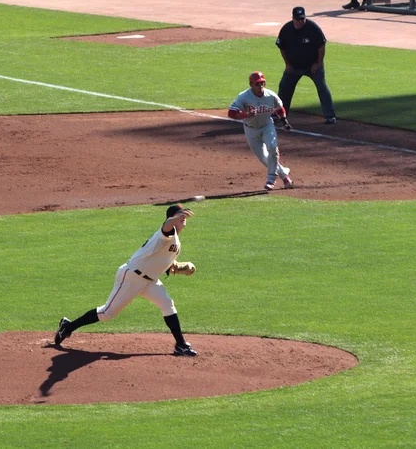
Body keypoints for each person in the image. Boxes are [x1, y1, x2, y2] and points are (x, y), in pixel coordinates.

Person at [54, 204, 198, 356]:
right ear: (173, 218)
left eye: (183, 215)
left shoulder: (176, 241)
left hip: (149, 281)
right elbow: (166, 225)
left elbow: (162, 262)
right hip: (131, 277)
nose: (183, 218)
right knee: (106, 313)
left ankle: (180, 345)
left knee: (167, 304)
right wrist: (175, 218)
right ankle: (68, 327)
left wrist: (179, 267)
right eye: (179, 215)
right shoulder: (167, 232)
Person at [228, 71, 294, 191]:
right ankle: (284, 176)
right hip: (251, 130)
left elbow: (279, 109)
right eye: (257, 84)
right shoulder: (243, 96)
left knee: (272, 147)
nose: (260, 86)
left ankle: (271, 179)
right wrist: (245, 114)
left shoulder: (270, 95)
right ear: (251, 84)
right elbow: (231, 112)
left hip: (267, 126)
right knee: (264, 157)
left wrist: (285, 122)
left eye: (262, 83)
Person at [275, 6, 337, 124]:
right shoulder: (286, 29)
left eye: (302, 19)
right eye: (297, 19)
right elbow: (282, 48)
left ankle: (330, 115)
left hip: (312, 66)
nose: (300, 22)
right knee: (284, 87)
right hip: (294, 66)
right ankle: (280, 114)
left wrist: (318, 63)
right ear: (292, 18)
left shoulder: (312, 28)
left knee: (322, 87)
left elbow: (321, 46)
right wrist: (288, 64)